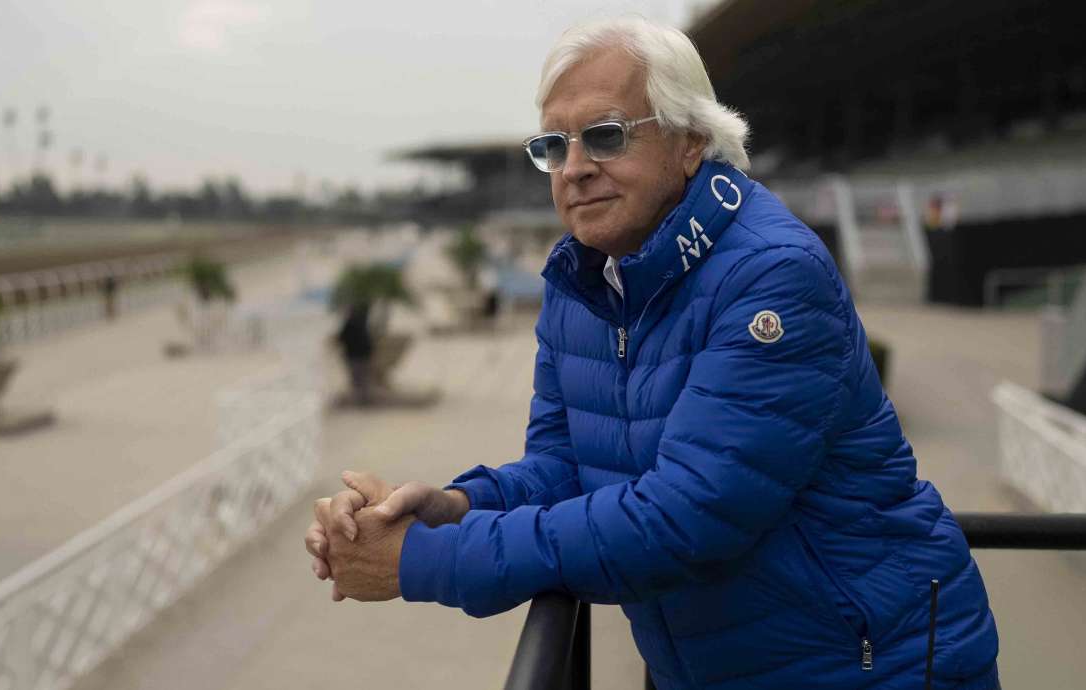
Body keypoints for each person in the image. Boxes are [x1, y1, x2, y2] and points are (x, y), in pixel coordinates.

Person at [304, 17, 1000, 690]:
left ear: (691, 140)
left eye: (605, 137)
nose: (574, 169)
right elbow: (566, 468)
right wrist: (452, 506)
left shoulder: (773, 275)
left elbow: (685, 520)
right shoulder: (580, 279)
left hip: (873, 665)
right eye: (553, 145)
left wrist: (421, 562)